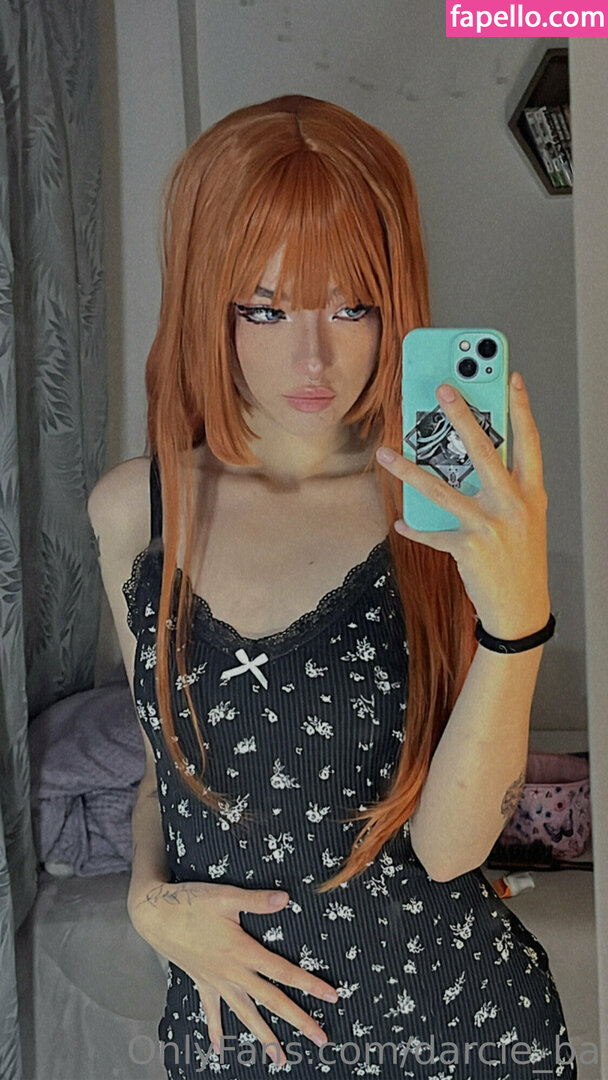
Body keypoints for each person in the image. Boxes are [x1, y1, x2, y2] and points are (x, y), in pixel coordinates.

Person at [88, 95, 577, 1078]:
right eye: (265, 308)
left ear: (393, 301)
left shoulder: (432, 508)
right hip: (235, 1044)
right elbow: (162, 772)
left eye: (350, 306)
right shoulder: (137, 511)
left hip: (458, 1030)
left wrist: (516, 623)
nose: (311, 357)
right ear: (208, 300)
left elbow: (450, 851)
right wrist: (148, 902)